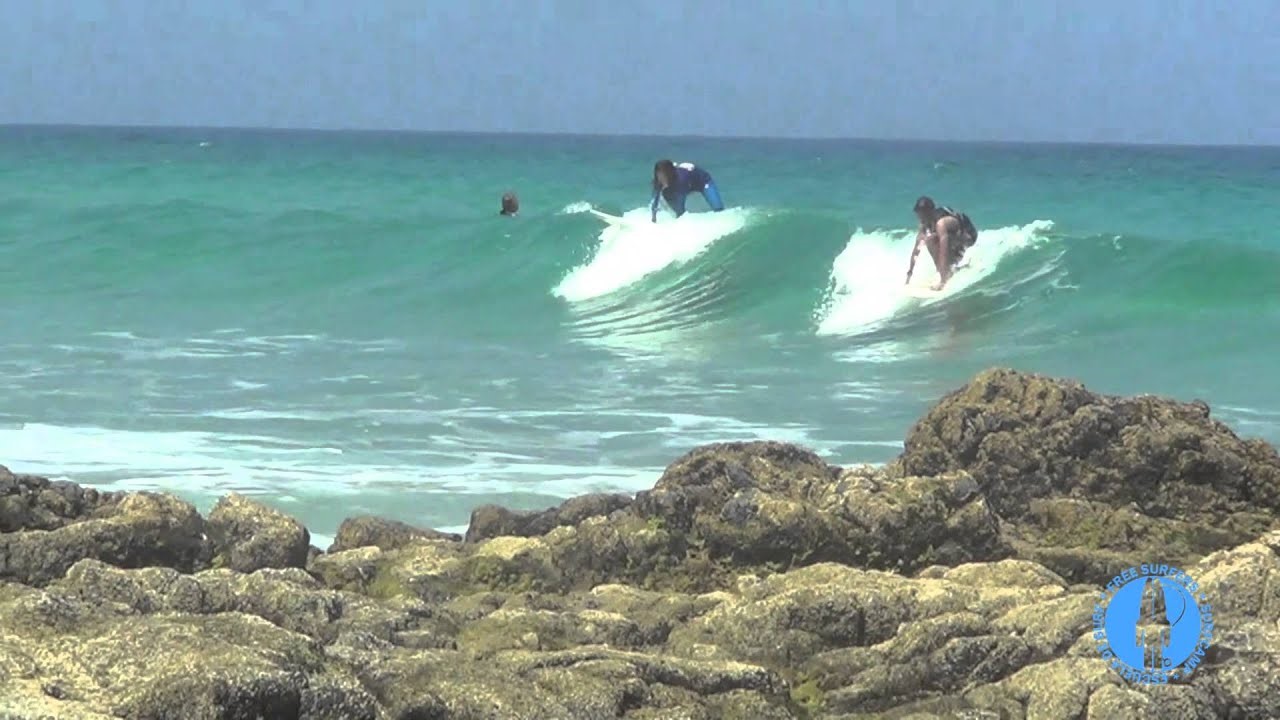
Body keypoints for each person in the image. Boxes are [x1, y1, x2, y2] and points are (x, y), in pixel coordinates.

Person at [905, 196, 978, 290]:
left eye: (922, 214)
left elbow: (944, 249)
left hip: (969, 236)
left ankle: (945, 275)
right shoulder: (925, 223)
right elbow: (916, 250)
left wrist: (942, 280)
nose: (920, 217)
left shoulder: (941, 223)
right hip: (956, 237)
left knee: (932, 240)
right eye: (918, 214)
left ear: (929, 212)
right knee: (928, 239)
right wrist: (909, 274)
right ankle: (945, 271)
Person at [650, 160, 725, 222]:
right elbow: (655, 200)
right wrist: (654, 217)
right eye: (658, 175)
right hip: (683, 185)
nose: (660, 178)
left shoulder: (681, 180)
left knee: (718, 209)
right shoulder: (658, 182)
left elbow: (680, 206)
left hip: (703, 182)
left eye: (663, 175)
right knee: (672, 207)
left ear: (669, 173)